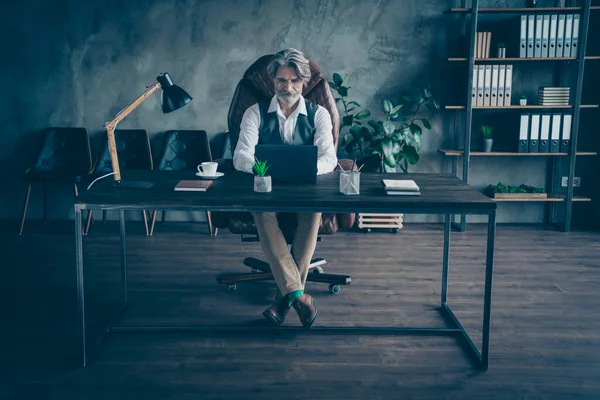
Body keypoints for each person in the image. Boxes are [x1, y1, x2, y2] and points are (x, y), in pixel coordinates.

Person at [233, 48, 337, 328]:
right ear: (272, 82)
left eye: (293, 81)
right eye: (281, 81)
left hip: (306, 190)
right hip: (267, 188)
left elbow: (330, 158)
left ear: (303, 82)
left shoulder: (320, 115)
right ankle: (300, 297)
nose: (287, 87)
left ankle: (285, 298)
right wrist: (266, 169)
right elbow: (241, 156)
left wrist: (303, 168)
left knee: (312, 213)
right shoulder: (254, 113)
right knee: (262, 213)